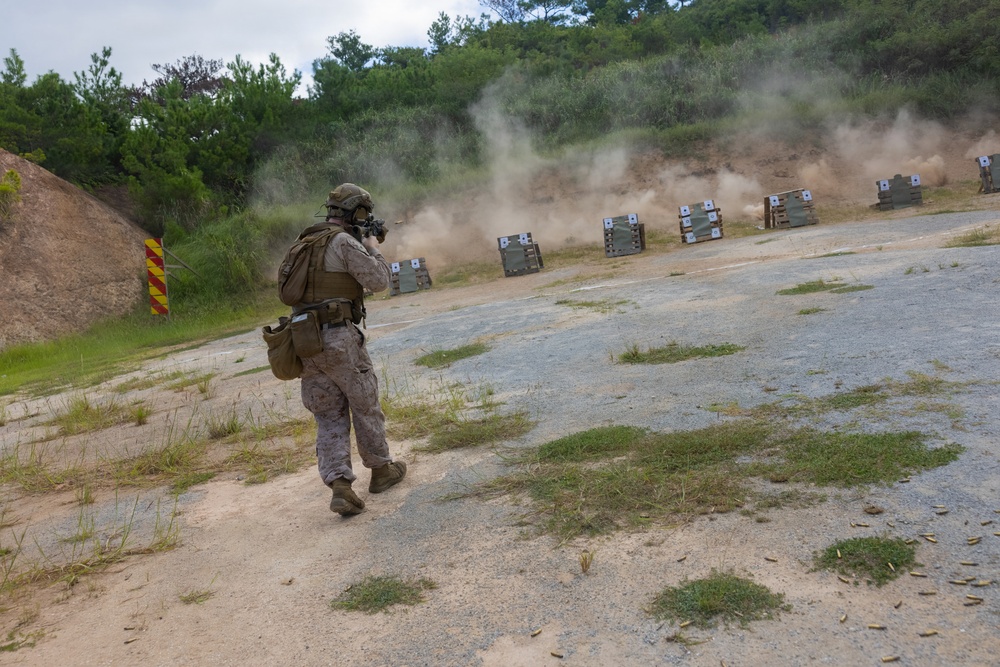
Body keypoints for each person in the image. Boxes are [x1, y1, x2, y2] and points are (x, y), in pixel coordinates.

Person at [291, 183, 406, 515]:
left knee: (328, 413)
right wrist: (372, 247)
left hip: (305, 340)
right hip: (338, 337)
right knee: (364, 402)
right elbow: (379, 281)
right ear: (357, 213)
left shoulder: (303, 242)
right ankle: (382, 470)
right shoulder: (343, 243)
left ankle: (340, 486)